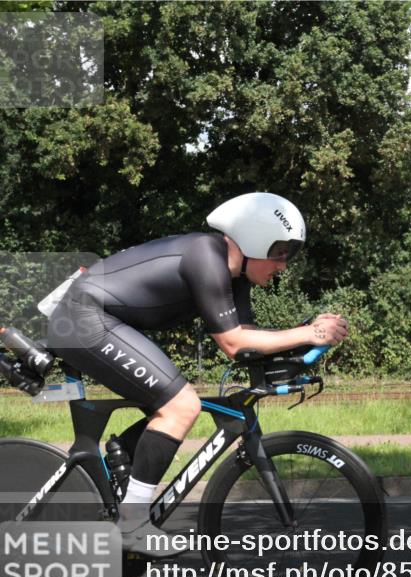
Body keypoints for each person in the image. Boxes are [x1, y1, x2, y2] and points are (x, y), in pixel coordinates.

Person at [47, 192, 348, 557]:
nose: (283, 265)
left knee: (170, 406)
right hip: (84, 318)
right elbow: (234, 344)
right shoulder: (206, 256)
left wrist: (303, 338)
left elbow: (252, 340)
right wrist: (308, 333)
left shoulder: (235, 277)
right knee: (180, 406)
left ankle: (122, 461)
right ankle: (131, 522)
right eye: (280, 252)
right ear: (254, 239)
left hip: (96, 318)